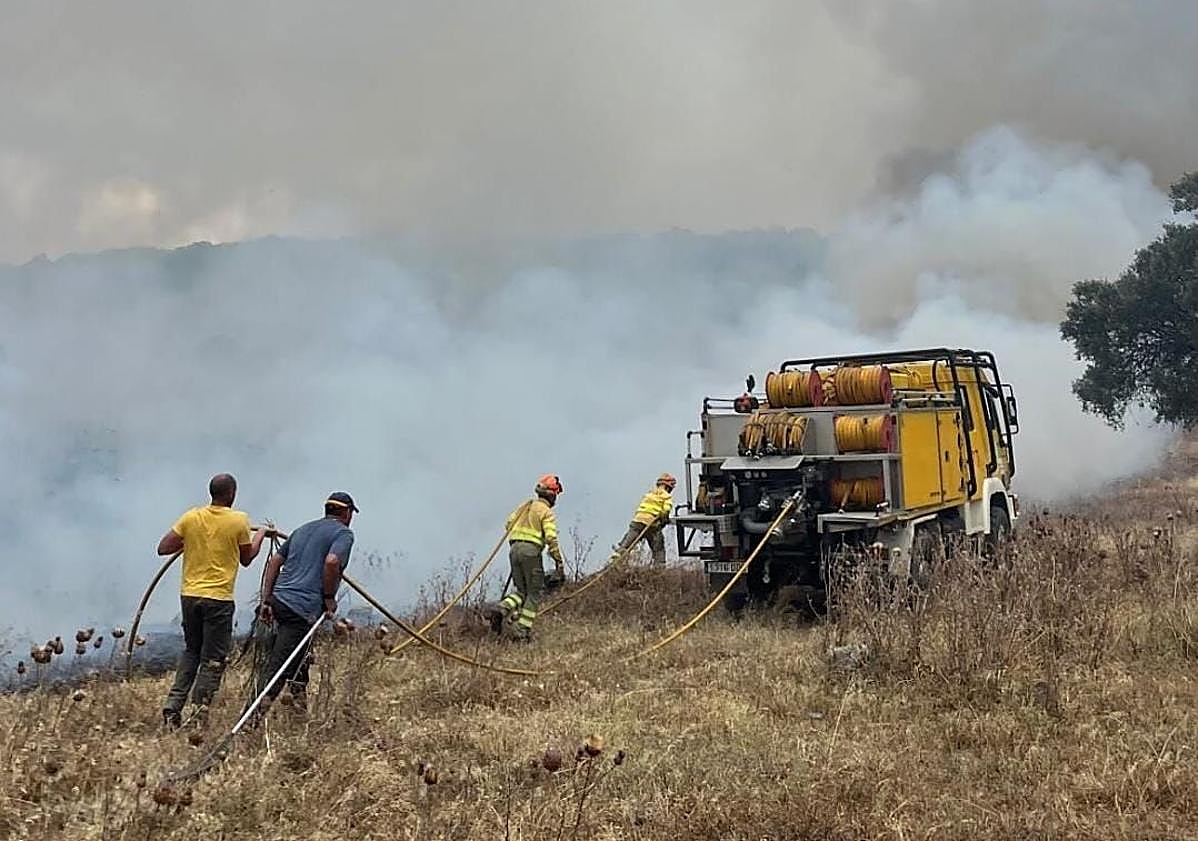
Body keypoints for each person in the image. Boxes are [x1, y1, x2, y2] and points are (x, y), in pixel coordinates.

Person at [156, 473, 268, 728]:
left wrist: (192, 542)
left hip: (190, 596)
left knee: (192, 651)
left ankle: (172, 707)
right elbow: (247, 558)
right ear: (231, 494)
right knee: (213, 658)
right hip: (218, 599)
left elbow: (163, 547)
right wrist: (261, 534)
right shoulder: (239, 520)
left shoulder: (191, 517)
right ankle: (198, 715)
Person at [255, 492, 357, 710]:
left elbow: (275, 561)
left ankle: (298, 712)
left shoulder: (302, 529)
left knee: (299, 659)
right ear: (347, 513)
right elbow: (331, 562)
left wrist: (266, 600)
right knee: (278, 669)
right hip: (301, 608)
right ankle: (248, 723)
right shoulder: (344, 534)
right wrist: (329, 598)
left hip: (279, 601)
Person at [489, 475, 565, 641]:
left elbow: (508, 524)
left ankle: (502, 608)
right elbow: (551, 537)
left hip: (514, 550)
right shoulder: (546, 512)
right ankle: (522, 631)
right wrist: (558, 560)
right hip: (531, 553)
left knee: (521, 591)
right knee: (534, 592)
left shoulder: (525, 505)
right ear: (551, 495)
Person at [612, 473, 676, 566]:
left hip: (637, 523)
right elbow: (665, 511)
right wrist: (664, 521)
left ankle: (614, 564)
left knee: (625, 546)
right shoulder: (666, 496)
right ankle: (659, 570)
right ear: (668, 487)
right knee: (659, 551)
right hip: (652, 525)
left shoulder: (649, 494)